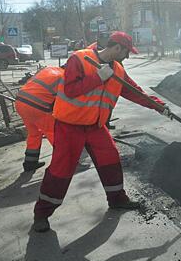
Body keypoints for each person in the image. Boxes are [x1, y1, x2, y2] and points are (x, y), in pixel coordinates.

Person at [32, 32, 170, 232]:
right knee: (61, 170)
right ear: (117, 48)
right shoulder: (79, 59)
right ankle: (42, 214)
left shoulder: (118, 70)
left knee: (110, 159)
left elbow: (135, 92)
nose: (127, 57)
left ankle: (117, 199)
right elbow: (70, 90)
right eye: (126, 52)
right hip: (69, 126)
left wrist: (159, 106)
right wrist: (97, 78)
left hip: (96, 126)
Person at [15, 66, 64, 172]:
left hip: (20, 102)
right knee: (53, 133)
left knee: (34, 134)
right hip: (37, 107)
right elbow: (62, 100)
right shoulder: (63, 77)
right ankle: (66, 162)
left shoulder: (48, 69)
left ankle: (30, 163)